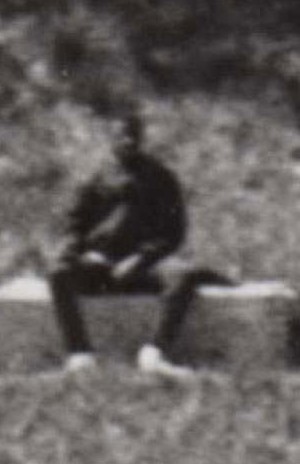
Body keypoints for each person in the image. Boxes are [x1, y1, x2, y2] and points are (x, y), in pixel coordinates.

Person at [46, 107, 220, 378]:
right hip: (100, 269)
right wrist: (83, 254)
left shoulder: (161, 178)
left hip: (141, 269)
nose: (126, 141)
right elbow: (74, 226)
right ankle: (80, 356)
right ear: (110, 139)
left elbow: (174, 233)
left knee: (183, 278)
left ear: (141, 138)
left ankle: (154, 354)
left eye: (132, 135)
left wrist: (141, 257)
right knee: (59, 274)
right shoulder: (97, 179)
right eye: (120, 136)